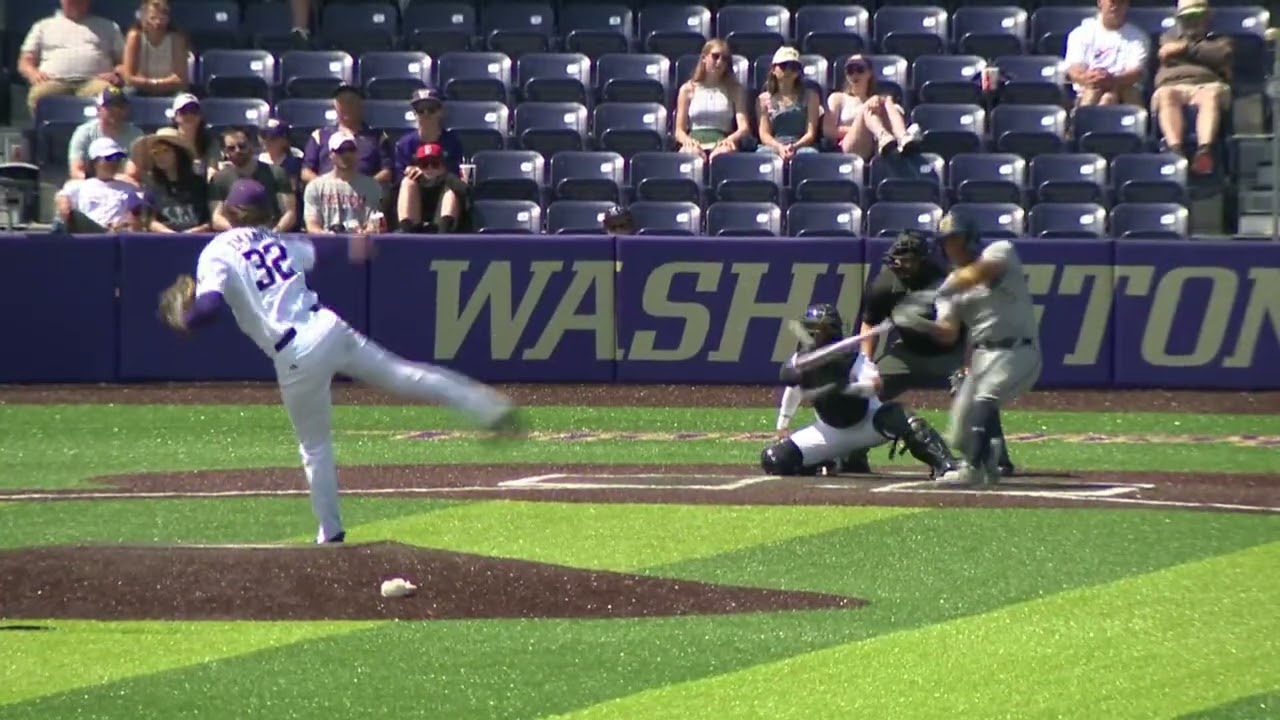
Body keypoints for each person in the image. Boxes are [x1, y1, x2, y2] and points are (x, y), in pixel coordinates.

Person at [156, 178, 524, 544]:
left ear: (230, 211)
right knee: (405, 374)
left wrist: (186, 322)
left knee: (315, 446)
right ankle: (487, 406)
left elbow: (208, 310)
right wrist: (356, 246)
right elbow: (322, 254)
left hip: (295, 352)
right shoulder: (275, 241)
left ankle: (330, 532)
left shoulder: (217, 250)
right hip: (330, 327)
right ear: (266, 213)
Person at [888, 213, 1043, 486]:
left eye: (955, 239)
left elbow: (980, 274)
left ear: (970, 238)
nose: (951, 247)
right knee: (960, 434)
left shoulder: (1000, 252)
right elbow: (947, 334)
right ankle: (992, 460)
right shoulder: (949, 287)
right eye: (946, 242)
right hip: (983, 356)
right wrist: (919, 324)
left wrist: (939, 292)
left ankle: (972, 469)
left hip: (1017, 351)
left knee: (984, 398)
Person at [847, 230, 1015, 476]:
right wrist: (866, 362)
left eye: (908, 260)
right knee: (865, 389)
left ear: (923, 260)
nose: (901, 266)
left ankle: (997, 457)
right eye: (898, 260)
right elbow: (870, 324)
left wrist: (969, 363)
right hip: (908, 352)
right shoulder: (885, 283)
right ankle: (853, 453)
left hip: (951, 353)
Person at [763, 303, 958, 478]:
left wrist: (845, 388)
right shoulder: (802, 362)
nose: (813, 336)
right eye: (811, 330)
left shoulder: (853, 360)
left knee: (898, 415)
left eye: (818, 331)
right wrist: (783, 423)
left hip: (868, 425)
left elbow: (874, 386)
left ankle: (946, 465)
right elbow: (792, 384)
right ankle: (827, 460)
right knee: (774, 458)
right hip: (829, 432)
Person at [1150, 0, 1233, 175]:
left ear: (1207, 16)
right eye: (1188, 17)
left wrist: (1185, 48)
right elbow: (1165, 54)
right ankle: (1176, 151)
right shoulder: (1167, 38)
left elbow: (1220, 54)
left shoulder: (1220, 40)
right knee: (1166, 96)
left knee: (1210, 96)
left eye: (1197, 15)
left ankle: (1204, 151)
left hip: (1207, 85)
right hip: (1172, 86)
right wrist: (1198, 52)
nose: (1193, 21)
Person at [19, 0, 126, 115]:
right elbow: (25, 61)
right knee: (40, 95)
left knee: (111, 97)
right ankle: (47, 132)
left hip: (94, 82)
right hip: (54, 81)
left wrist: (117, 75)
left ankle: (103, 132)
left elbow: (125, 62)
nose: (76, 2)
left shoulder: (109, 27)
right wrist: (33, 73)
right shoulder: (42, 26)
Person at [825, 55, 920, 159]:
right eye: (850, 70)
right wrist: (866, 127)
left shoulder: (878, 101)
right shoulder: (838, 98)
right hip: (851, 146)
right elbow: (828, 131)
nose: (855, 74)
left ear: (869, 73)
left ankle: (903, 137)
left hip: (876, 146)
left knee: (886, 100)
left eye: (860, 69)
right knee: (870, 106)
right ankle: (882, 135)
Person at [673, 39, 751, 160]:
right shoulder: (688, 89)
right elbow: (679, 130)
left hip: (722, 141)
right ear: (704, 58)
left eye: (724, 59)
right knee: (690, 154)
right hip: (695, 140)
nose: (719, 62)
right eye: (715, 56)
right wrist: (687, 141)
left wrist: (730, 139)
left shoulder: (735, 90)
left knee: (722, 155)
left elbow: (744, 127)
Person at [301, 85, 394, 185]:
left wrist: (367, 186)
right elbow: (306, 172)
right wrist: (325, 186)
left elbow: (387, 171)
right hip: (327, 194)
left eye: (351, 101)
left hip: (364, 194)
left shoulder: (377, 137)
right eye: (342, 102)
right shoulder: (320, 135)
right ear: (335, 105)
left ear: (360, 104)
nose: (347, 106)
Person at [1064, 0, 1149, 108]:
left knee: (1111, 97)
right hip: (1087, 91)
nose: (1116, 6)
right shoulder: (1081, 33)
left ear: (1127, 5)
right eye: (1112, 2)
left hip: (1125, 93)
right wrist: (1089, 78)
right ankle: (1083, 120)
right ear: (1100, 2)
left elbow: (1135, 72)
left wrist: (1111, 81)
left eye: (1121, 2)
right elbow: (1074, 69)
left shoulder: (1138, 37)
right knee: (1095, 92)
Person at [209, 127, 296, 233]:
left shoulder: (276, 173)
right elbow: (216, 217)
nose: (238, 151)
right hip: (235, 238)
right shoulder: (219, 179)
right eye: (231, 148)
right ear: (224, 151)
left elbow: (290, 213)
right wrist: (239, 232)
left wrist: (274, 232)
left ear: (251, 145)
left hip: (272, 234)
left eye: (242, 146)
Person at [54, 137, 146, 232]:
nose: (113, 162)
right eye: (108, 158)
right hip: (88, 236)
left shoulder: (129, 188)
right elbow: (62, 201)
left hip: (116, 236)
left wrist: (124, 223)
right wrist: (63, 203)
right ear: (95, 162)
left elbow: (137, 215)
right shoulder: (78, 186)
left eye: (117, 158)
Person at [305, 131, 385, 234]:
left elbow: (373, 223)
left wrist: (364, 232)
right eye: (340, 150)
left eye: (350, 150)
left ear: (357, 153)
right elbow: (312, 224)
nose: (346, 155)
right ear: (331, 154)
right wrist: (328, 235)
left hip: (359, 244)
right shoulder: (315, 187)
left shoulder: (372, 187)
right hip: (326, 244)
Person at [756, 47, 821, 160]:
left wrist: (795, 146)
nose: (789, 71)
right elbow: (764, 134)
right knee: (761, 155)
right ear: (773, 69)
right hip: (774, 146)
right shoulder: (763, 99)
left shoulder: (811, 96)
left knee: (810, 155)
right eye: (784, 66)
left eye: (794, 67)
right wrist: (780, 147)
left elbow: (810, 133)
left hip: (801, 145)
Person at [141, 127, 211, 232]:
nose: (160, 156)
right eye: (155, 153)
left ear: (178, 153)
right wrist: (170, 234)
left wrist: (194, 231)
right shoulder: (152, 186)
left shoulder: (198, 184)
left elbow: (209, 220)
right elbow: (149, 221)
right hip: (165, 242)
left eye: (165, 151)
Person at [67, 86, 145, 181]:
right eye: (110, 107)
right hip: (89, 185)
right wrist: (99, 183)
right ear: (99, 109)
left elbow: (133, 173)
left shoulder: (136, 135)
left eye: (120, 107)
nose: (116, 111)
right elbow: (76, 171)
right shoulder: (84, 132)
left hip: (123, 187)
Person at [394, 143, 471, 233]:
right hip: (415, 230)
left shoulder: (450, 180)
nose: (430, 167)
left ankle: (443, 237)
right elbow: (387, 199)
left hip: (442, 233)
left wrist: (443, 177)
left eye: (435, 164)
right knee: (407, 182)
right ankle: (406, 237)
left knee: (451, 193)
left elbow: (467, 191)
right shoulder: (411, 182)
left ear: (443, 166)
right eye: (424, 164)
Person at [121, 0, 190, 97]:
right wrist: (153, 84)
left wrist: (152, 83)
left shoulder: (176, 39)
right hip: (140, 90)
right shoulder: (134, 37)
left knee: (184, 98)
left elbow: (180, 79)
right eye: (153, 18)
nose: (157, 22)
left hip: (169, 90)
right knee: (124, 96)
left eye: (162, 18)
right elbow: (128, 78)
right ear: (144, 18)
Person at [394, 88, 465, 179]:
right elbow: (399, 179)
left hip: (443, 188)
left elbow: (455, 175)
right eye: (421, 110)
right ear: (415, 114)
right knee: (407, 183)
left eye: (431, 110)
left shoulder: (452, 143)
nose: (426, 114)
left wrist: (427, 172)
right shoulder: (404, 145)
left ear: (440, 112)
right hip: (415, 188)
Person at [169, 93, 221, 179]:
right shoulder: (168, 140)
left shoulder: (210, 143)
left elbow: (212, 171)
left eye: (194, 111)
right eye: (184, 111)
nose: (189, 114)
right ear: (175, 116)